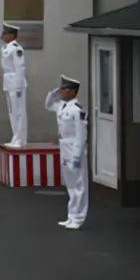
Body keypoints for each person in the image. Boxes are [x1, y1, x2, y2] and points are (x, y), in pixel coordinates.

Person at [45, 75, 88, 229]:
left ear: (73, 92)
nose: (62, 91)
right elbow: (48, 105)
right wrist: (54, 93)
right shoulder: (62, 106)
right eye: (61, 89)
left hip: (74, 148)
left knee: (79, 184)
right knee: (70, 184)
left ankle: (79, 217)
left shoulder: (77, 111)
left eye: (65, 89)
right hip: (64, 147)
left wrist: (77, 155)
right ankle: (71, 216)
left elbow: (81, 135)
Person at [0, 23, 28, 147]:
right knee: (12, 112)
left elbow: (20, 68)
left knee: (19, 112)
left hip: (17, 83)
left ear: (11, 35)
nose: (2, 35)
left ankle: (21, 139)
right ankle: (15, 136)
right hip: (8, 82)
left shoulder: (16, 49)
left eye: (4, 33)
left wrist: (18, 86)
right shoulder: (5, 48)